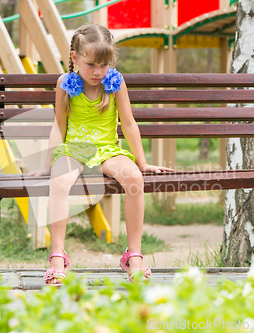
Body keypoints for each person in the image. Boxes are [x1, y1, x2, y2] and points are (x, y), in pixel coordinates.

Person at [27, 24, 173, 286]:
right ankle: (57, 257)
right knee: (59, 182)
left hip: (107, 149)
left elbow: (128, 124)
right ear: (74, 58)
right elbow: (59, 125)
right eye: (91, 64)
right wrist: (48, 165)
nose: (98, 72)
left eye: (104, 64)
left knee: (134, 179)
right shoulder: (64, 84)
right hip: (74, 149)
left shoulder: (115, 82)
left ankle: (134, 256)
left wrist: (142, 162)